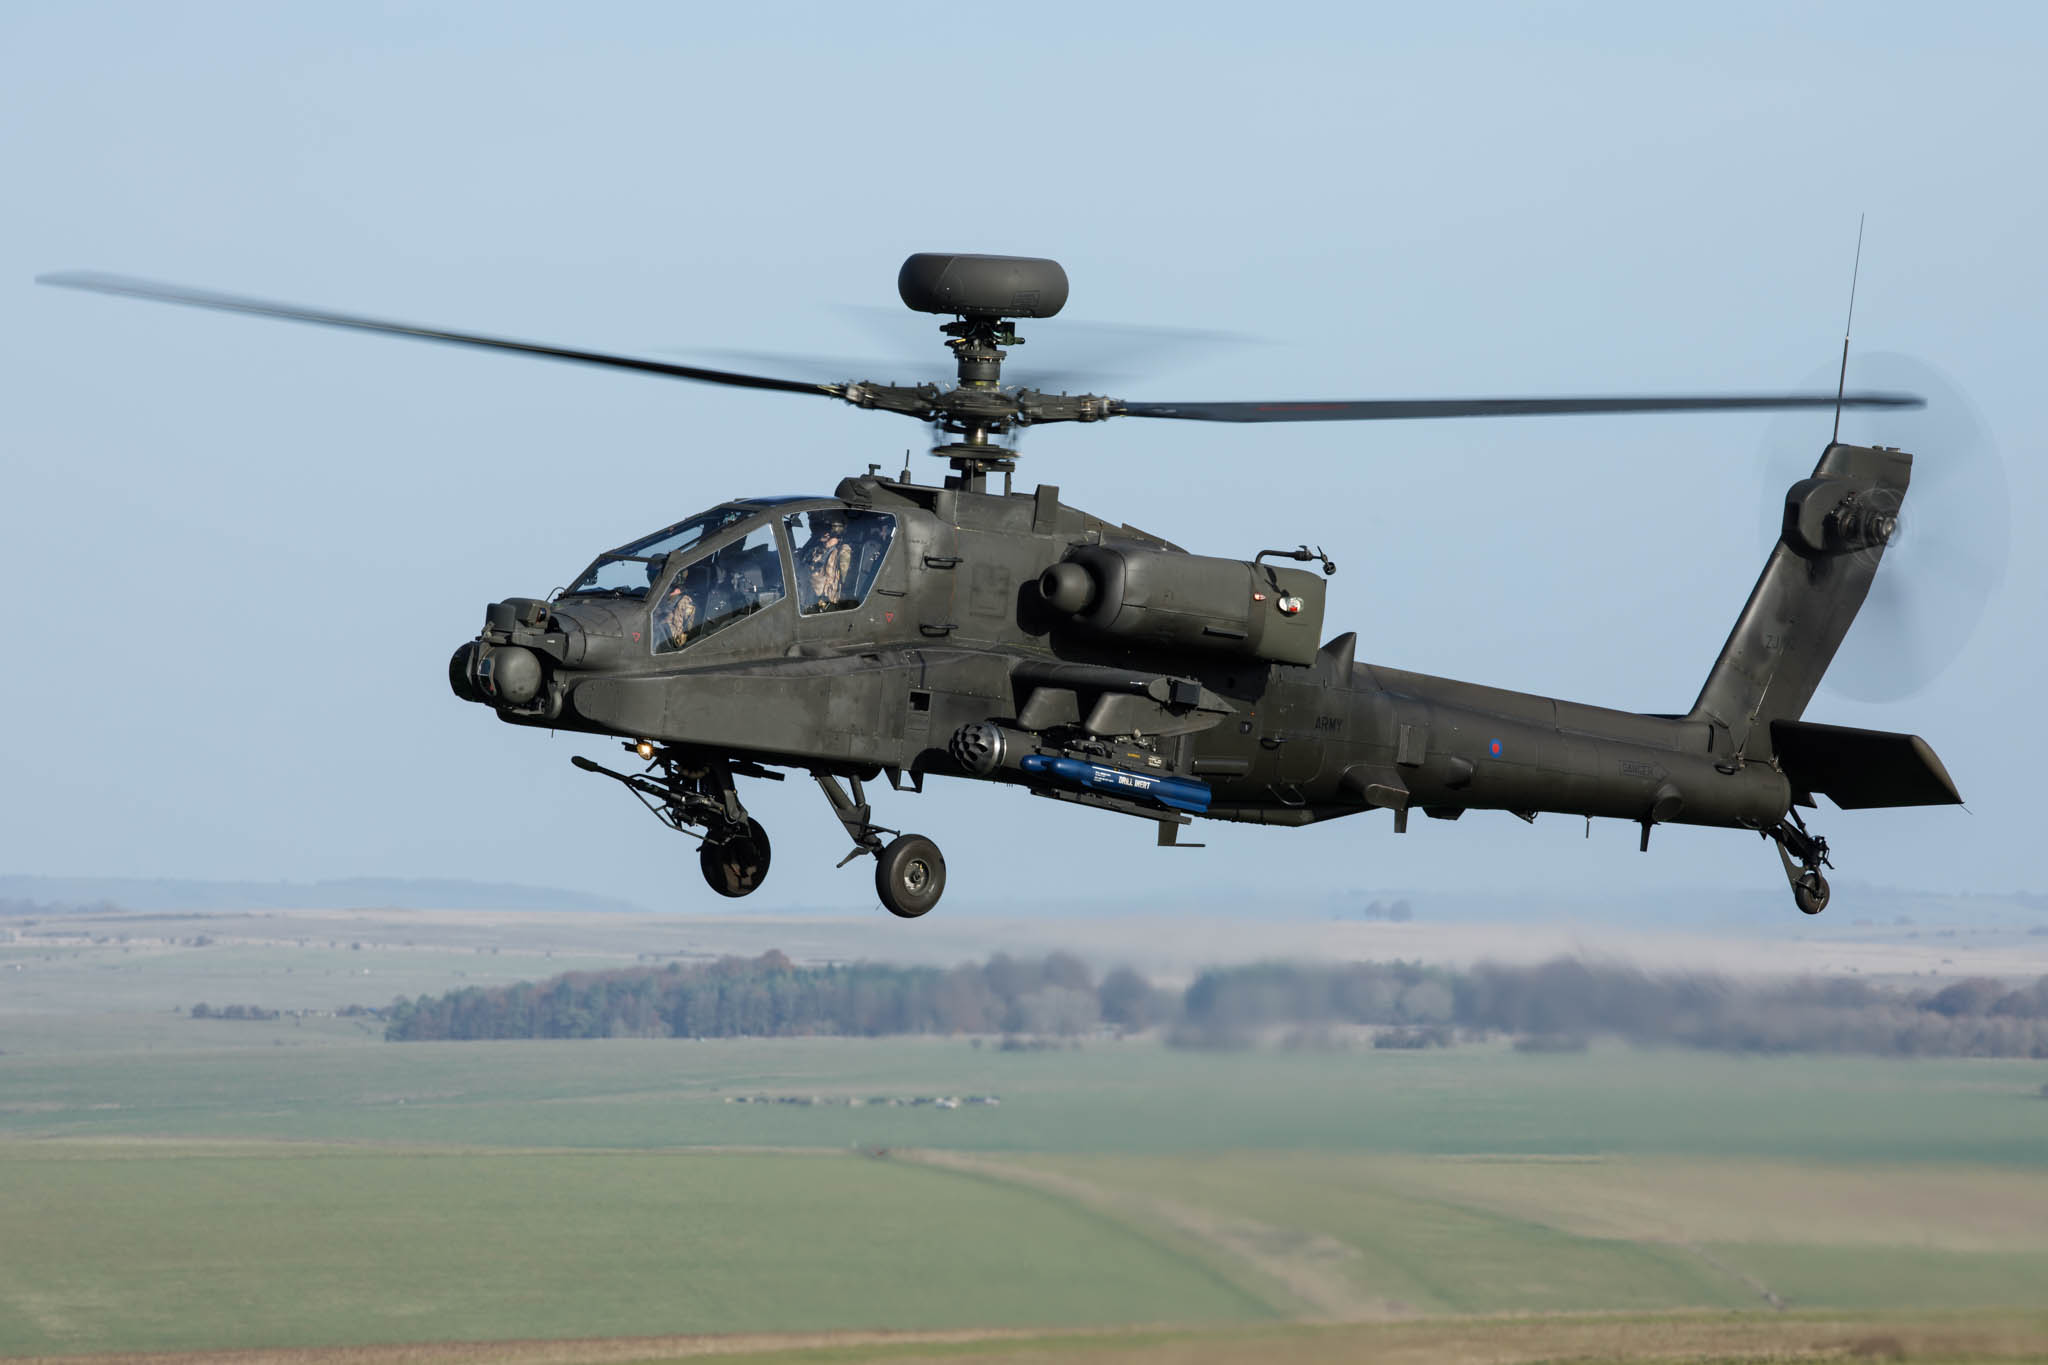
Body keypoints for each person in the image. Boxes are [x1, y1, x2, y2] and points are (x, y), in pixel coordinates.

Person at [797, 510, 854, 612]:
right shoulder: (814, 547)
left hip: (826, 605)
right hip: (809, 600)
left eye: (823, 528)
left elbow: (846, 583)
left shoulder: (843, 551)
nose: (820, 532)